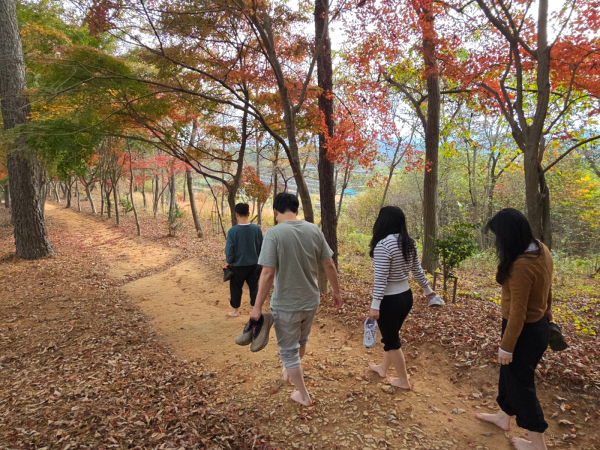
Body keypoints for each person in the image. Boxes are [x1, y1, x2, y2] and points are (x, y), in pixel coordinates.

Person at [250, 192, 342, 406]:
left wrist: (257, 306)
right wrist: (336, 292)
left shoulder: (274, 233)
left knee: (288, 351)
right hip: (311, 300)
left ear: (275, 212)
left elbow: (267, 273)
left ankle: (303, 395)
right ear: (297, 209)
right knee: (301, 341)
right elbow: (329, 264)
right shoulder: (314, 230)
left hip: (286, 303)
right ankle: (289, 369)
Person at [476, 208, 553, 450]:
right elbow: (547, 285)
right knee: (508, 376)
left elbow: (518, 312)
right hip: (537, 325)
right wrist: (547, 310)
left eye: (498, 236)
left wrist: (507, 347)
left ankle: (538, 445)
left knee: (521, 387)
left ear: (508, 235)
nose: (496, 241)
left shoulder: (521, 265)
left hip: (523, 332)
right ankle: (503, 416)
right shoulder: (540, 248)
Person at [366, 206, 438, 390]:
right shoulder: (408, 242)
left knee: (391, 342)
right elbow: (417, 270)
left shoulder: (383, 245)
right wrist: (428, 290)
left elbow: (381, 279)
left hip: (389, 301)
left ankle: (403, 380)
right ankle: (383, 368)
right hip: (406, 297)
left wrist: (375, 305)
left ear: (382, 222)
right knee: (391, 336)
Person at [224, 203, 263, 318]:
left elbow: (230, 249)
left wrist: (229, 261)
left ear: (236, 214)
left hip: (237, 265)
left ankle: (235, 310)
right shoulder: (256, 229)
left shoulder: (233, 231)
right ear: (248, 213)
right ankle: (256, 310)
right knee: (254, 287)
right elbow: (262, 246)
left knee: (236, 287)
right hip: (254, 264)